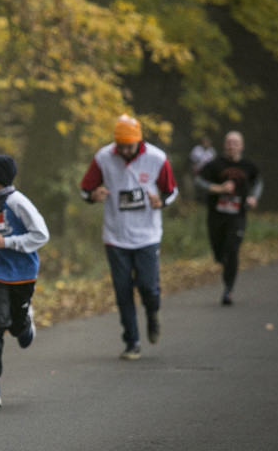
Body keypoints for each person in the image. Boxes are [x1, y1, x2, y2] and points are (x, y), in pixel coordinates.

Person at [79, 114, 178, 360]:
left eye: (129, 146)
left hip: (148, 235)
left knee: (148, 286)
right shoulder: (104, 157)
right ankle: (132, 342)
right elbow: (85, 189)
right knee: (122, 291)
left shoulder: (156, 158)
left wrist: (161, 201)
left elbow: (172, 191)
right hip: (116, 235)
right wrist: (94, 196)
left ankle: (153, 313)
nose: (124, 150)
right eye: (120, 145)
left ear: (139, 142)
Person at [0, 155, 49, 408]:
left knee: (15, 327)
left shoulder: (18, 202)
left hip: (23, 273)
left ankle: (25, 322)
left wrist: (9, 243)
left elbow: (41, 235)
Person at [195, 131, 263, 305]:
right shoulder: (214, 164)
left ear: (241, 146)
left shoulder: (248, 165)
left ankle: (228, 290)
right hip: (216, 215)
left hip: (237, 215)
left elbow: (258, 182)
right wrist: (218, 188)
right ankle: (224, 263)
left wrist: (253, 197)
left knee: (232, 250)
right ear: (224, 145)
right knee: (219, 253)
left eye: (235, 143)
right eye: (229, 143)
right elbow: (199, 181)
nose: (232, 146)